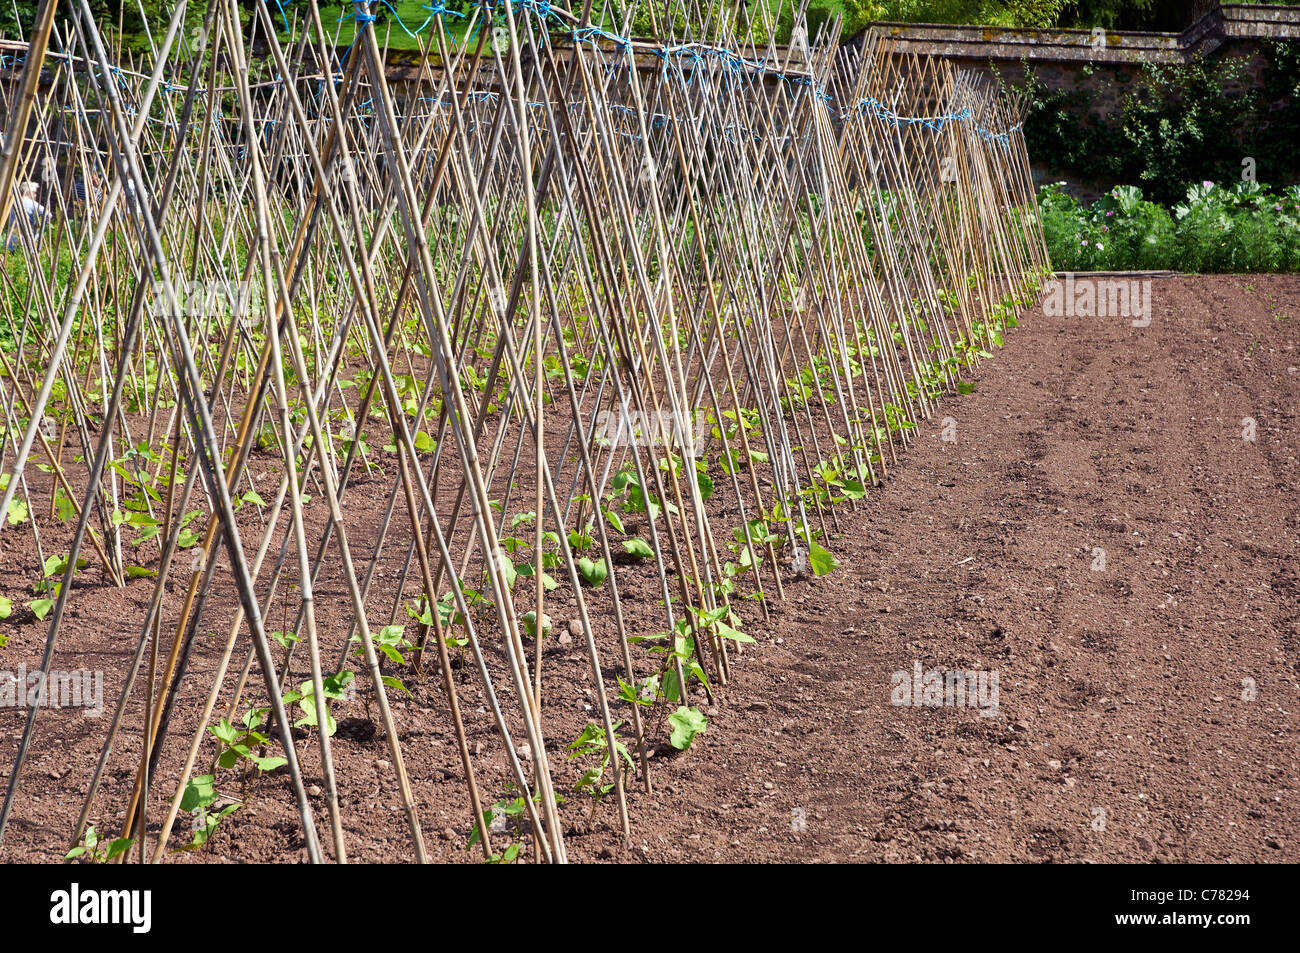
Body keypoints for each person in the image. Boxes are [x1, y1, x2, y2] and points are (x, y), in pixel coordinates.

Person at [7, 182, 50, 251]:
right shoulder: (31, 203)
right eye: (34, 193)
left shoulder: (12, 202)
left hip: (11, 240)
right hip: (26, 240)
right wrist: (41, 225)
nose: (35, 195)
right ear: (29, 192)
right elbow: (48, 214)